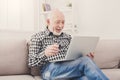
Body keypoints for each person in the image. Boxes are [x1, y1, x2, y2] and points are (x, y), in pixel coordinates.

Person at [28, 9, 109, 80]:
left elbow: (75, 57)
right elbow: (31, 62)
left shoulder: (68, 37)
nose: (61, 26)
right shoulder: (37, 37)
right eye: (57, 22)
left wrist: (86, 55)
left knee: (87, 77)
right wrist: (45, 53)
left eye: (63, 22)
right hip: (50, 70)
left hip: (70, 69)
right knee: (86, 62)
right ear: (48, 22)